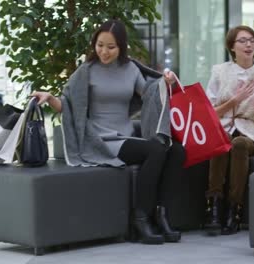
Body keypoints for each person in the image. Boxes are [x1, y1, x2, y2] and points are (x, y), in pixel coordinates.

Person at [32, 20, 184, 245]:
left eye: (111, 47)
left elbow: (150, 94)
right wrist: (51, 99)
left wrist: (165, 82)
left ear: (121, 47)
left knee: (176, 150)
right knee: (155, 149)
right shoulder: (86, 71)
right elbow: (70, 105)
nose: (104, 51)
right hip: (100, 139)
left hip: (126, 134)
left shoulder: (131, 68)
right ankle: (140, 217)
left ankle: (161, 214)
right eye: (100, 45)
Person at [203, 25, 254, 235]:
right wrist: (234, 101)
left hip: (250, 130)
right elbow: (209, 112)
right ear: (232, 47)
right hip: (223, 127)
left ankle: (234, 210)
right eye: (242, 41)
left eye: (252, 40)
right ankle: (213, 209)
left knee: (238, 144)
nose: (249, 44)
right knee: (221, 142)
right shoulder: (219, 71)